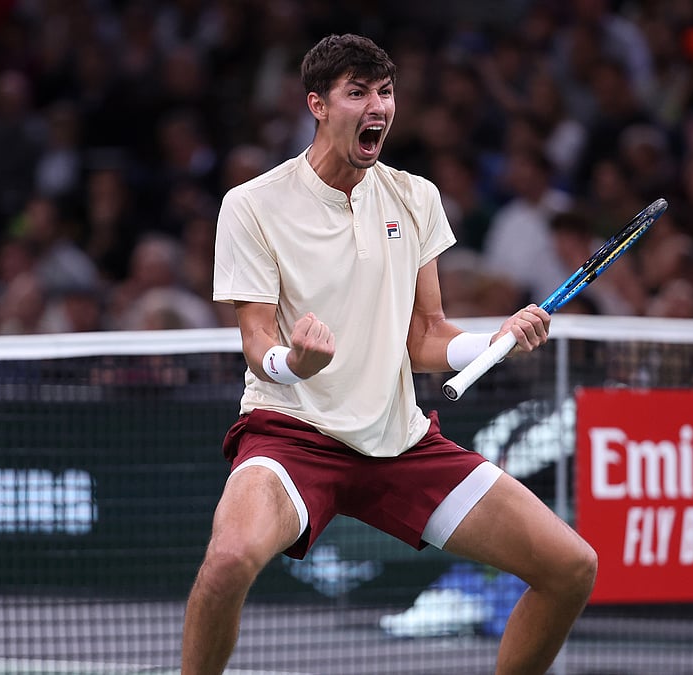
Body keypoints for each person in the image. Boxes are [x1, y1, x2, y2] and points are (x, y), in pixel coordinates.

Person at [182, 34, 597, 675]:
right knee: (227, 561)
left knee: (570, 566)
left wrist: (492, 344)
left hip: (399, 441)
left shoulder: (415, 197)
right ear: (318, 105)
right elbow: (257, 338)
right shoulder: (252, 204)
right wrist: (296, 364)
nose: (378, 106)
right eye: (357, 93)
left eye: (385, 92)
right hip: (294, 434)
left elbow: (424, 336)